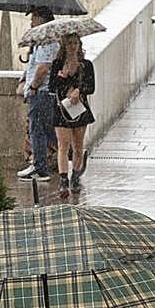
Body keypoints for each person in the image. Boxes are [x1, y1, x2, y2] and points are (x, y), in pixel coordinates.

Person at [47, 31, 96, 197]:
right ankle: (63, 181)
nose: (72, 46)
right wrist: (64, 77)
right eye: (69, 43)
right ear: (64, 46)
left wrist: (78, 91)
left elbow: (91, 87)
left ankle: (75, 176)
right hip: (62, 109)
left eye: (75, 43)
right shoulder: (57, 64)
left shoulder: (86, 65)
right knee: (63, 145)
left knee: (78, 145)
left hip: (80, 109)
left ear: (79, 45)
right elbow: (52, 87)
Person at [16, 7, 59, 183]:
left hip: (41, 92)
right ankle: (72, 156)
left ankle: (39, 168)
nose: (31, 22)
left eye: (34, 17)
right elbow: (34, 66)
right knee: (48, 131)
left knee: (38, 130)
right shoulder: (42, 42)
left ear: (42, 19)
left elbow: (43, 68)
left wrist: (33, 86)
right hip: (42, 92)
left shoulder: (47, 43)